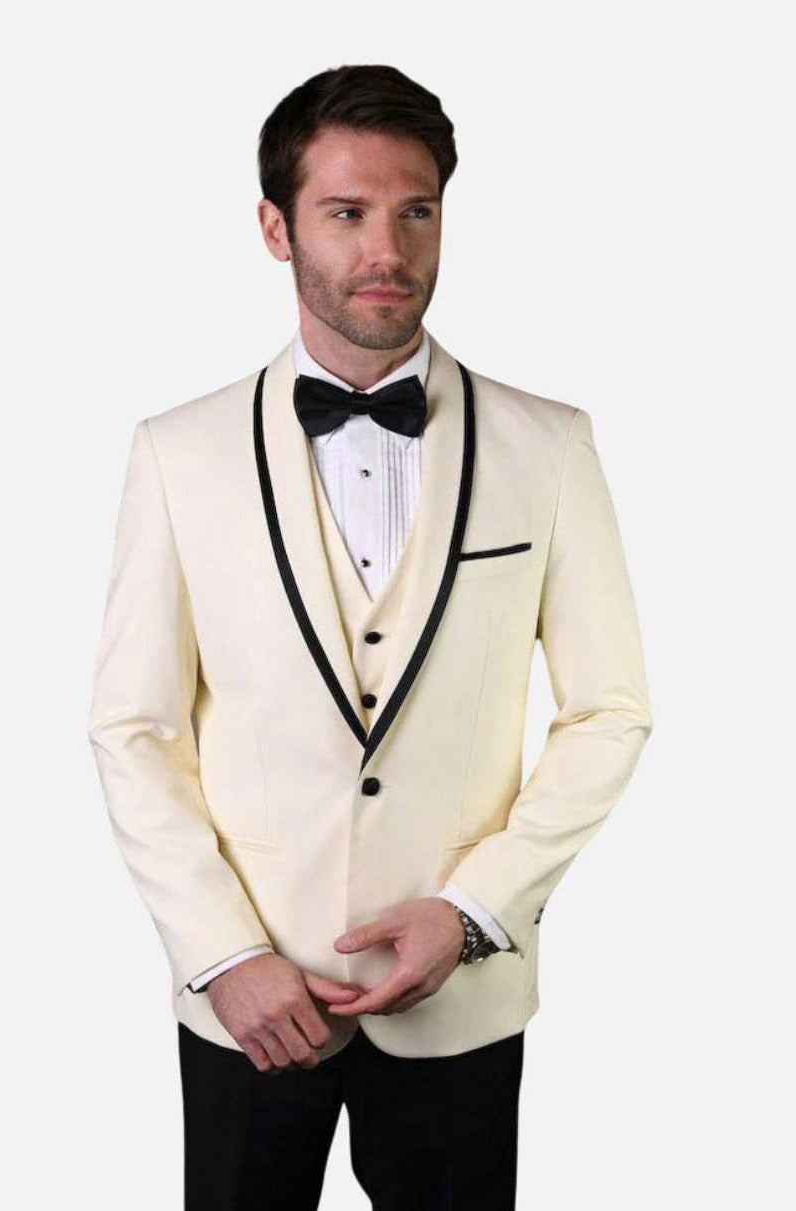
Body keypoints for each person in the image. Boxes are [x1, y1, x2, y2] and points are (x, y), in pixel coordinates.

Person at [87, 63, 653, 1211]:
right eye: (346, 212)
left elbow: (611, 710)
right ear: (276, 227)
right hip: (250, 997)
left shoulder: (549, 445)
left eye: (416, 210)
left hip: (460, 997)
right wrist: (223, 952)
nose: (387, 248)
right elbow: (133, 728)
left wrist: (474, 911)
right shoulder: (177, 453)